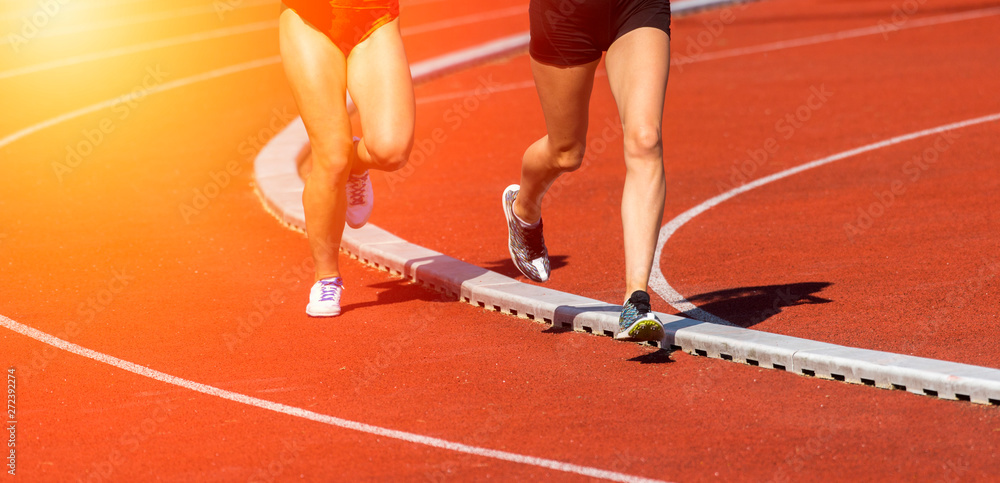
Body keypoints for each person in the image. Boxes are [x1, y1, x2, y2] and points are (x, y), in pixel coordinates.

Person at [503, 0, 671, 342]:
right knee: (566, 152)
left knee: (645, 139)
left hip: (635, 6)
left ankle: (635, 301)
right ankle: (524, 208)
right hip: (565, 13)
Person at [279, 0, 414, 316]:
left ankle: (355, 163)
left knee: (391, 150)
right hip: (310, 21)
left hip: (375, 19)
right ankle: (326, 277)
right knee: (331, 155)